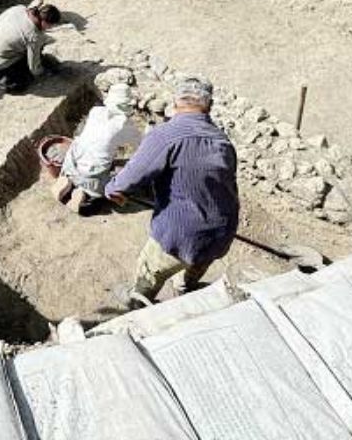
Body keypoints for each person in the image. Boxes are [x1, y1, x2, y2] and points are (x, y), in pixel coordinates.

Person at [105, 77, 238, 308]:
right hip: (223, 231)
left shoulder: (166, 135)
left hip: (180, 233)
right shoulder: (222, 140)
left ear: (175, 103)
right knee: (196, 263)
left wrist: (111, 189)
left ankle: (137, 302)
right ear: (209, 105)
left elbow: (123, 183)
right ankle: (185, 288)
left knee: (150, 269)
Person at [52, 83, 144, 214]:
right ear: (127, 105)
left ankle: (69, 182)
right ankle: (86, 193)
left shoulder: (96, 111)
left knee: (90, 153)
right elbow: (142, 147)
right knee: (127, 174)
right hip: (92, 178)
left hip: (71, 162)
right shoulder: (124, 124)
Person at [0, 1, 61, 93]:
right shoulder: (34, 36)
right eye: (51, 26)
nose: (50, 28)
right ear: (45, 23)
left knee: (18, 47)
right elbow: (34, 69)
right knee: (25, 78)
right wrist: (44, 71)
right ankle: (6, 80)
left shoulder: (19, 9)